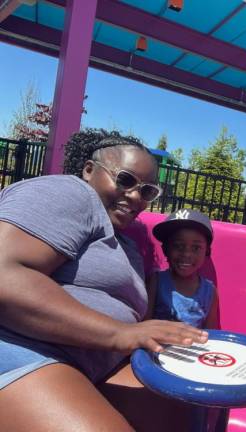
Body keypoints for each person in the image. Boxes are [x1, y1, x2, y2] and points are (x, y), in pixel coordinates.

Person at [0, 129, 209, 432]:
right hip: (25, 349)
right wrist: (120, 333)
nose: (136, 195)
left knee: (190, 410)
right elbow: (5, 274)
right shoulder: (70, 192)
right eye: (125, 180)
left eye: (148, 191)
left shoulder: (123, 239)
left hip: (93, 363)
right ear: (88, 170)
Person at [146, 209, 219, 329]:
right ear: (165, 249)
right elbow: (144, 326)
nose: (186, 254)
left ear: (207, 251)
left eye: (196, 248)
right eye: (178, 246)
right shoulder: (156, 281)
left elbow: (211, 335)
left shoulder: (210, 291)